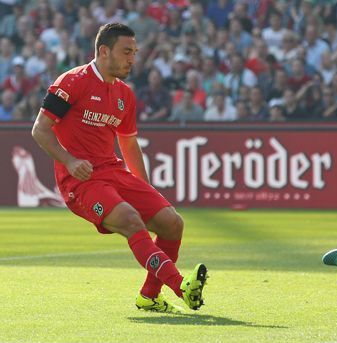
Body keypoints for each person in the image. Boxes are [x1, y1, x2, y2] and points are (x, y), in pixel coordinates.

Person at [30, 23, 208, 314]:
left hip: (112, 171)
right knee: (130, 219)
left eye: (135, 52)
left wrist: (147, 189)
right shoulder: (72, 81)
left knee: (172, 222)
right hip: (79, 181)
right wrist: (70, 161)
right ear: (104, 51)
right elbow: (40, 129)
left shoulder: (125, 95)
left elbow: (128, 145)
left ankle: (149, 296)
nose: (132, 59)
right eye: (126, 52)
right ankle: (180, 286)